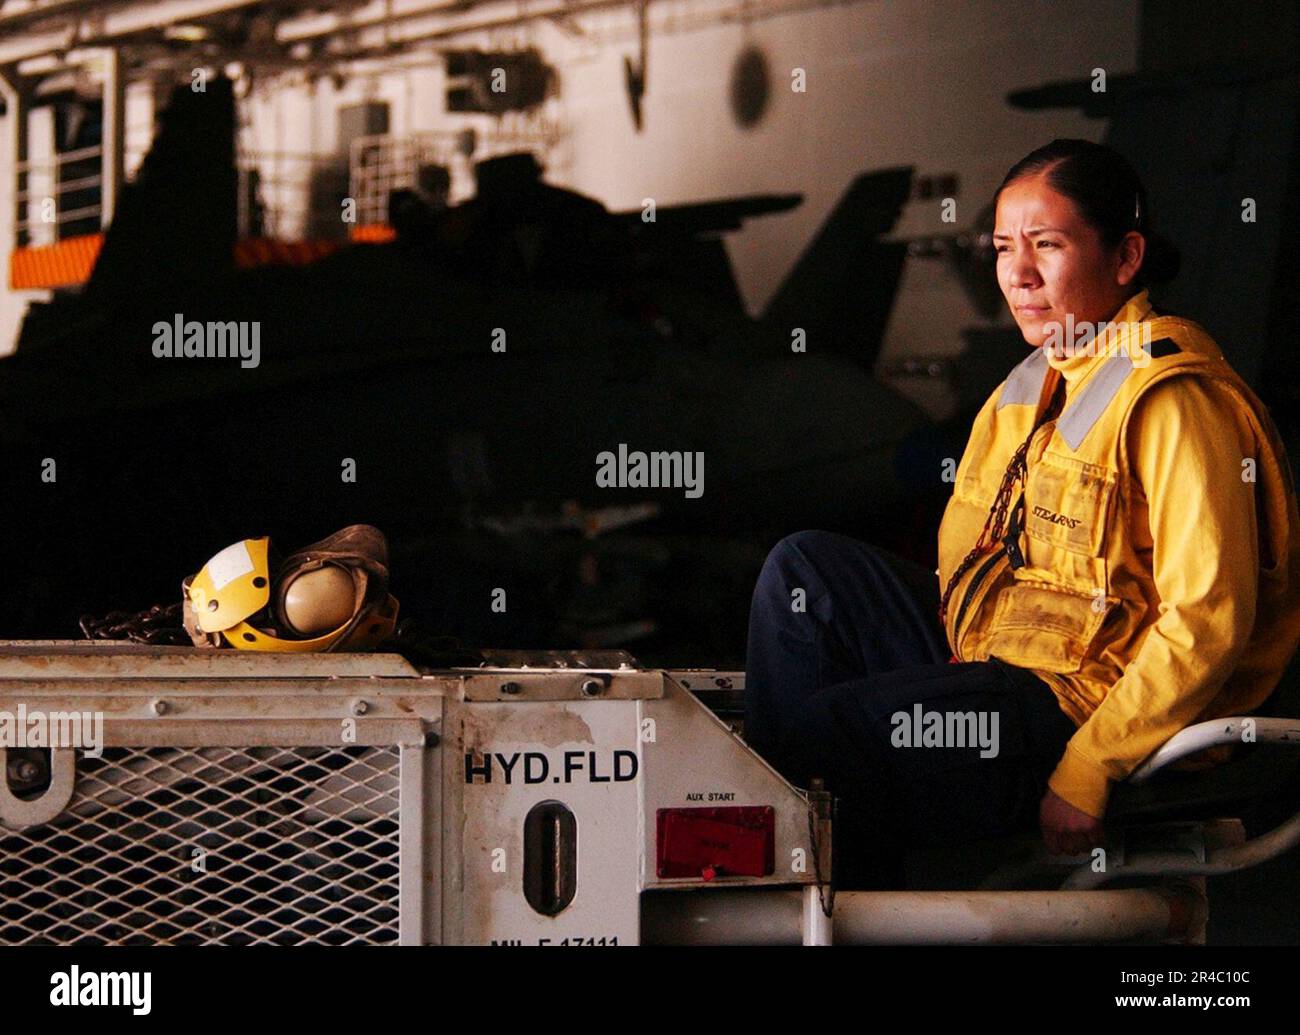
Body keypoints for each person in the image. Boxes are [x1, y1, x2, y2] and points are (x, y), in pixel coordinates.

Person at [744, 138, 1300, 889]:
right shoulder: (1029, 384)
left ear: (1126, 256)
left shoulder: (1171, 399)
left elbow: (1210, 618)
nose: (1017, 273)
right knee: (804, 567)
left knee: (826, 736)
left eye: (1047, 244)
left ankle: (824, 892)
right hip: (1002, 659)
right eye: (1004, 246)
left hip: (1076, 703)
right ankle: (808, 858)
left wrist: (1087, 768)